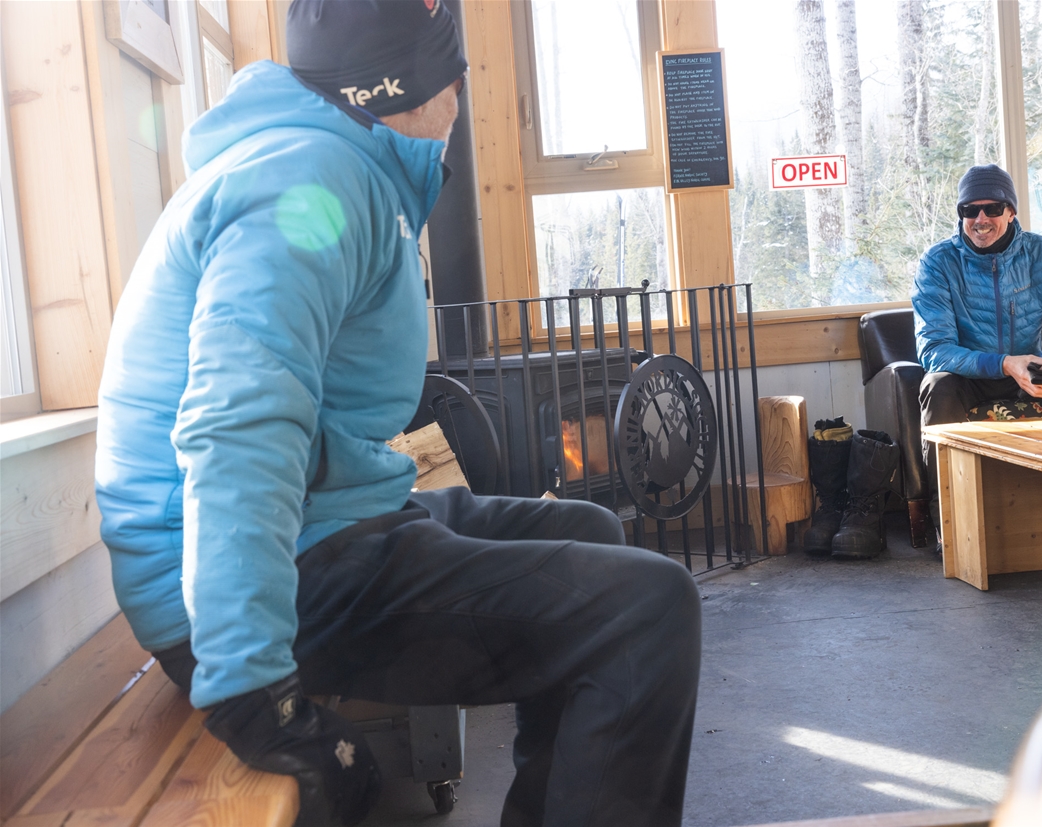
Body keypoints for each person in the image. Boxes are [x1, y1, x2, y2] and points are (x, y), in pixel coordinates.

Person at [93, 3, 701, 826]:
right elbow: (237, 429)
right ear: (400, 88)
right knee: (649, 610)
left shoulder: (329, 164)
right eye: (453, 71)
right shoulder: (308, 185)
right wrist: (254, 692)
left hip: (320, 529)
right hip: (246, 588)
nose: (462, 91)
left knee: (591, 529)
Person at [911, 164, 1042, 546]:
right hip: (971, 377)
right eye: (969, 210)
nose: (980, 219)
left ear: (1011, 211)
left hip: (1030, 373)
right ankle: (950, 526)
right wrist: (1005, 364)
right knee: (937, 386)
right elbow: (934, 349)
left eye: (992, 208)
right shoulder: (937, 262)